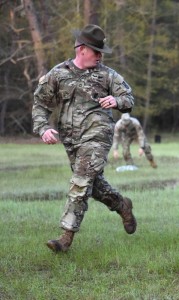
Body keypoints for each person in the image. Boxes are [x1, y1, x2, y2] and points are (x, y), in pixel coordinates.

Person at [32, 24, 137, 253]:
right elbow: (40, 103)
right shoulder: (58, 74)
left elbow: (128, 97)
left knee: (80, 182)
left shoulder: (107, 75)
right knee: (93, 185)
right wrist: (42, 129)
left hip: (97, 136)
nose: (100, 56)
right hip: (71, 140)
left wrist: (117, 101)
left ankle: (65, 238)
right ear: (81, 49)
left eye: (102, 53)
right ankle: (122, 205)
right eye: (96, 52)